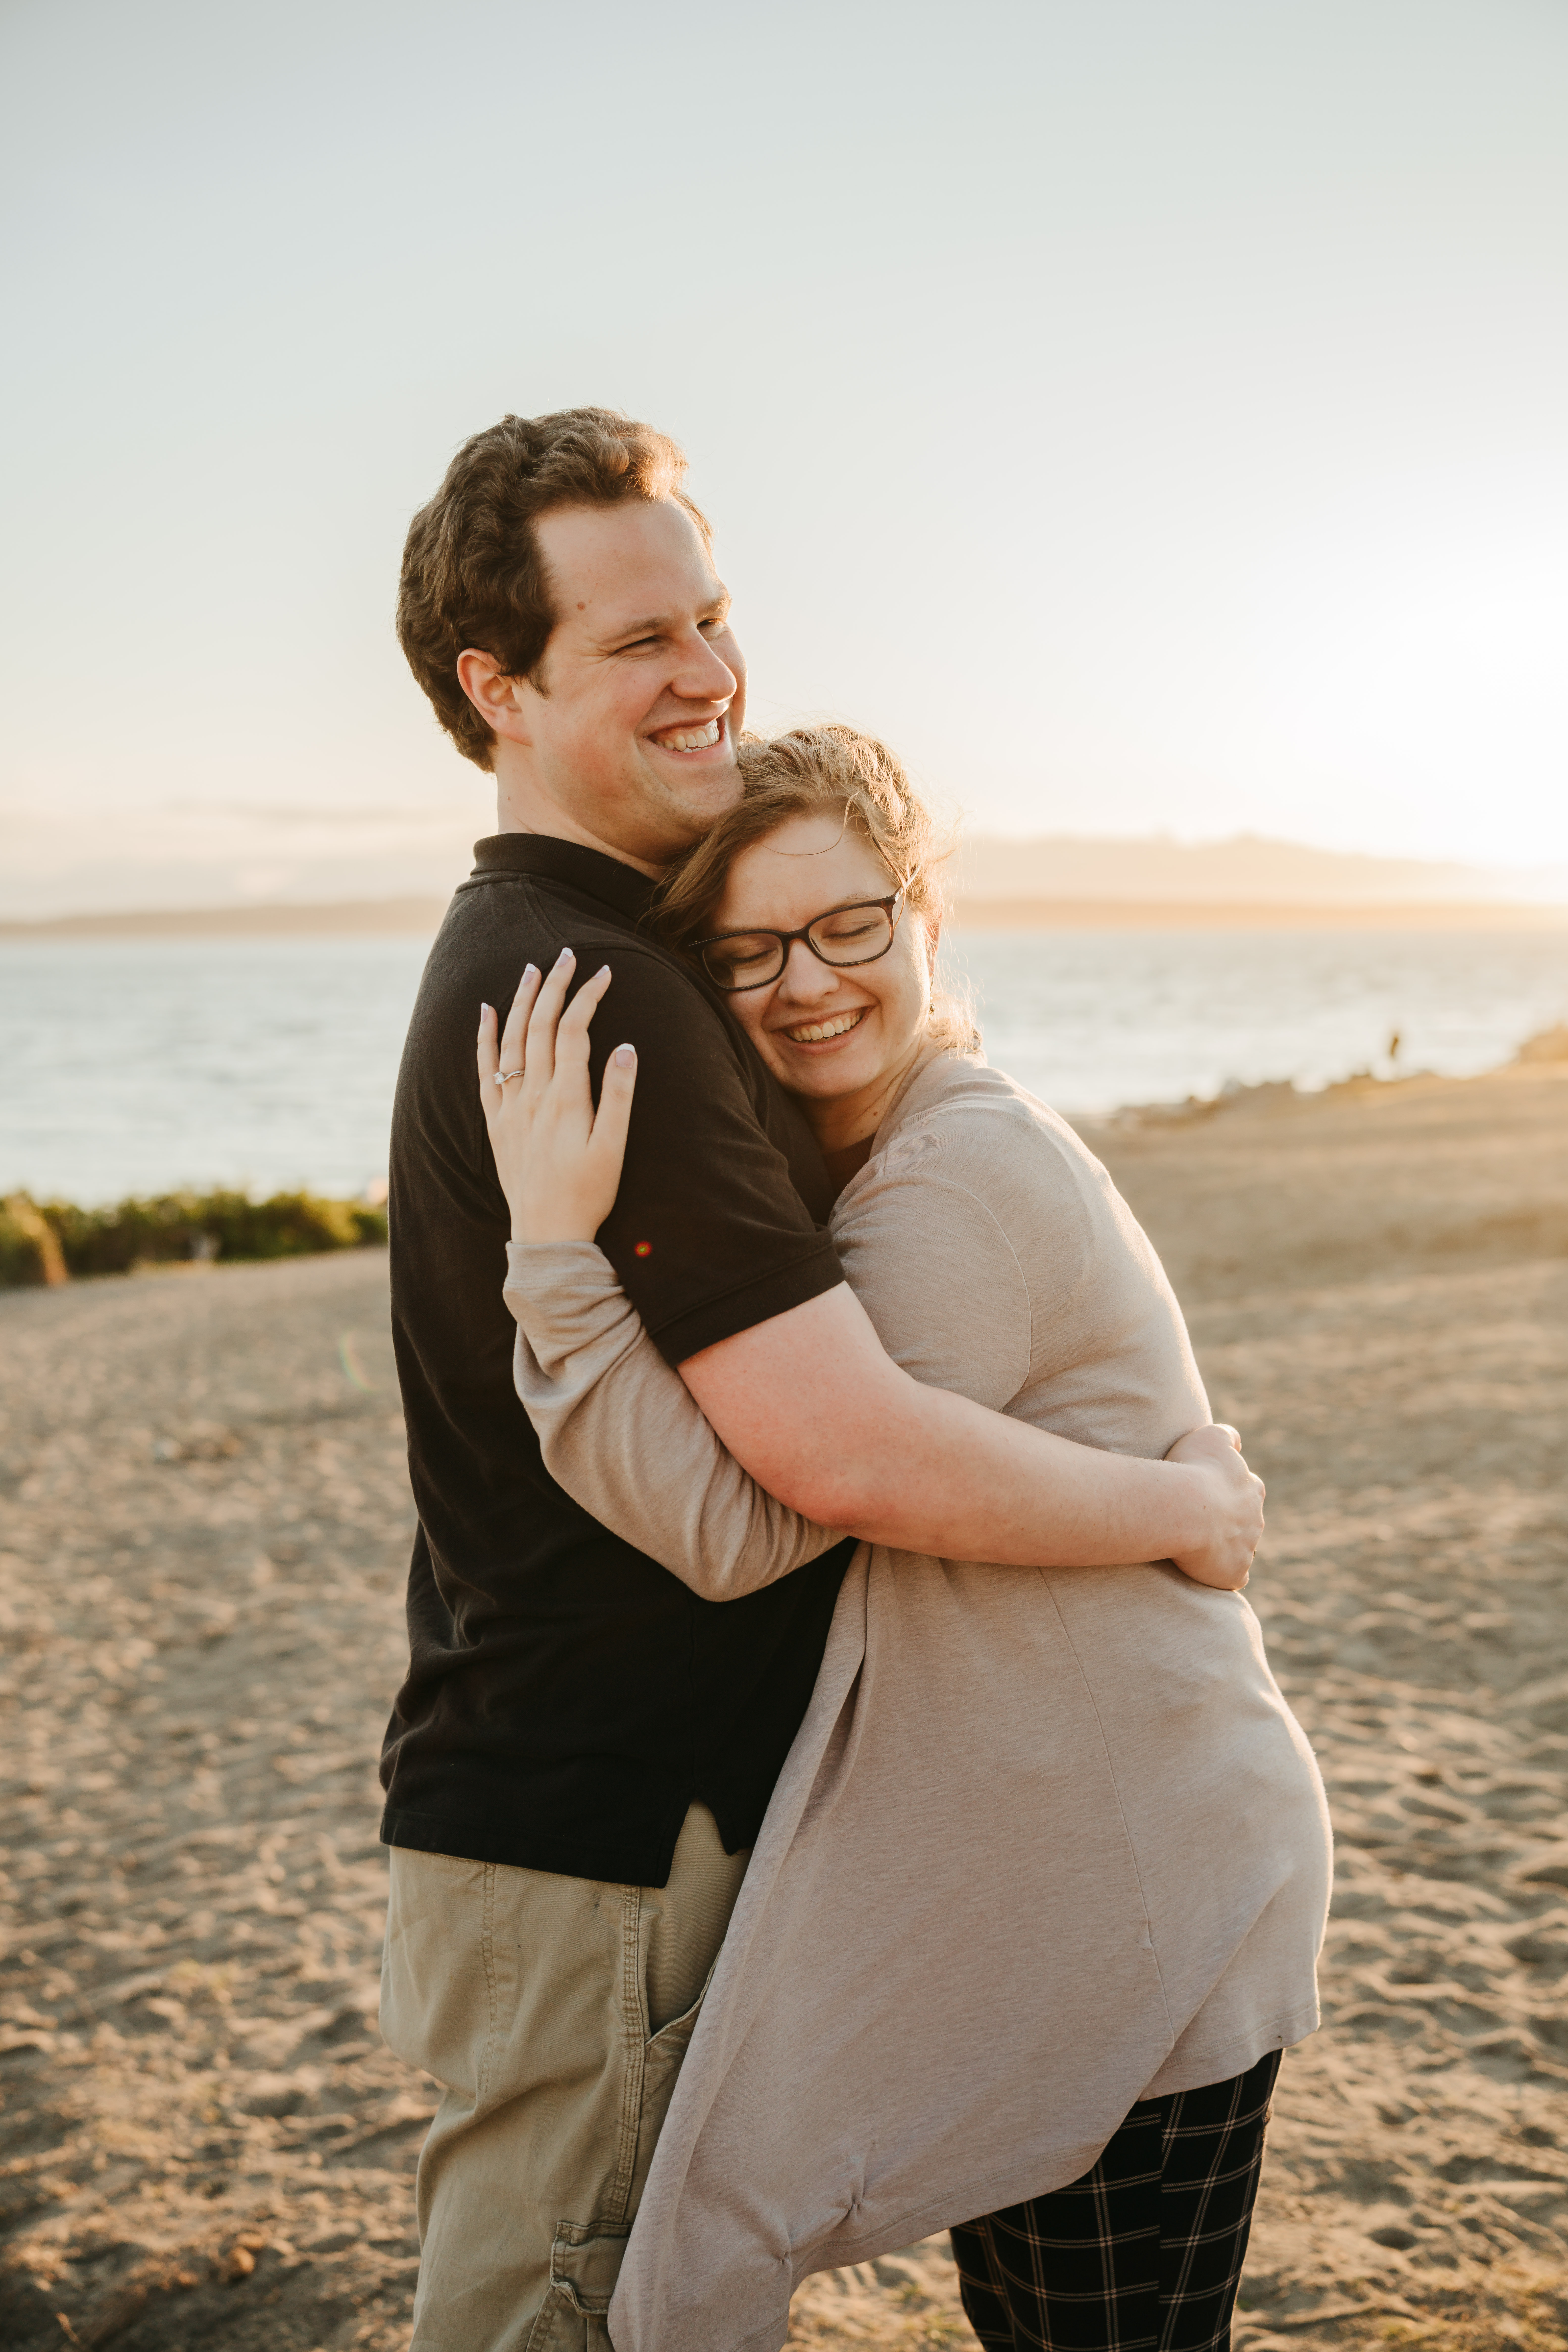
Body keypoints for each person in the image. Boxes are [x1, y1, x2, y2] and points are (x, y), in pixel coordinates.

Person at [378, 408, 1266, 2352]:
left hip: (629, 1831)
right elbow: (839, 1461)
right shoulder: (598, 986)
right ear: (494, 682)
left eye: (711, 618)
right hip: (604, 1832)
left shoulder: (606, 954)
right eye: (636, 642)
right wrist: (1191, 1507)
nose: (703, 673)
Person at [481, 724, 1332, 2352]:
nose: (807, 981)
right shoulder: (876, 1159)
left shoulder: (950, 1179)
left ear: (926, 913)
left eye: (851, 924)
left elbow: (754, 1523)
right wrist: (1183, 1502)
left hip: (1144, 1890)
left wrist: (552, 1253)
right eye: (747, 950)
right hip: (1062, 1889)